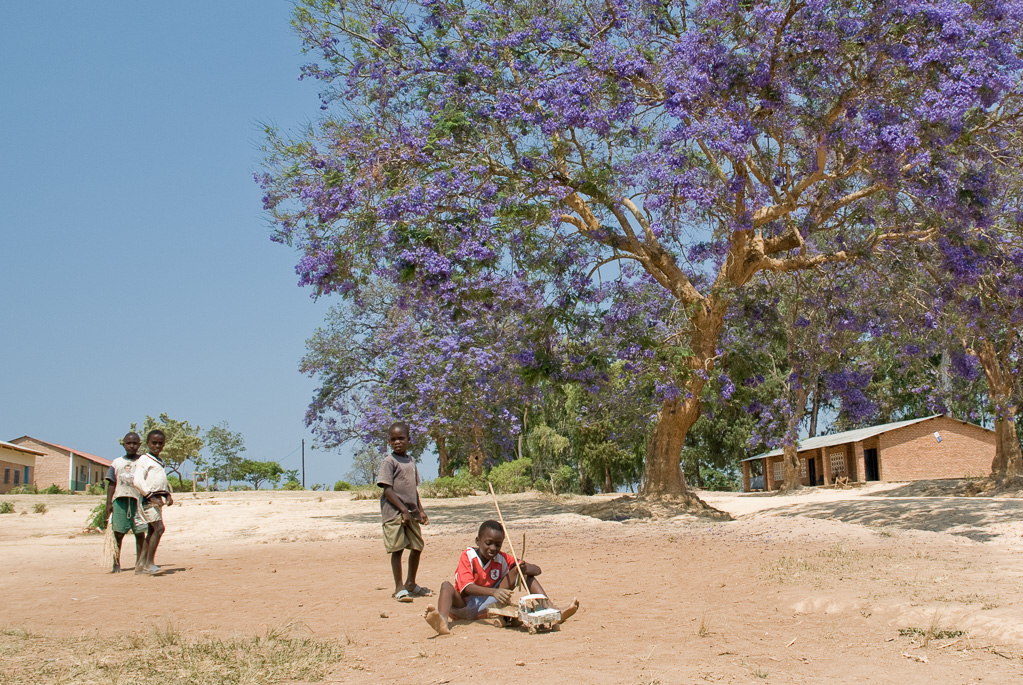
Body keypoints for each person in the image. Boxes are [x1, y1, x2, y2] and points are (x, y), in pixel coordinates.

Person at [423, 519, 579, 635]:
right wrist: (493, 592)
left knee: (521, 572)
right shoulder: (468, 556)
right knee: (445, 585)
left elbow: (537, 570)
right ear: (478, 541)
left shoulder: (502, 558)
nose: (493, 548)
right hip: (463, 606)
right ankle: (442, 622)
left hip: (488, 606)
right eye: (488, 543)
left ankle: (549, 608)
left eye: (498, 545)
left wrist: (523, 567)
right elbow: (467, 587)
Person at [377, 422, 431, 602]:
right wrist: (403, 510)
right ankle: (399, 587)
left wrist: (420, 511)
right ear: (389, 442)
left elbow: (413, 489)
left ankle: (411, 583)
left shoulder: (411, 461)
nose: (397, 442)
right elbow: (387, 490)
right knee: (397, 550)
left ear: (409, 439)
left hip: (411, 512)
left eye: (401, 438)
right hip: (394, 514)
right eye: (393, 439)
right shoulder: (388, 462)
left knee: (417, 547)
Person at [103, 432, 147, 573]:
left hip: (138, 501)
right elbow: (111, 483)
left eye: (135, 443)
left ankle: (139, 562)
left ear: (139, 445)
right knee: (118, 533)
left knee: (139, 533)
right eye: (129, 443)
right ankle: (116, 563)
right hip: (120, 501)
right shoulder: (117, 463)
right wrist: (108, 503)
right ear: (124, 444)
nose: (132, 446)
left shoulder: (143, 462)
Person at [132, 429, 173, 575]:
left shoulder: (160, 461)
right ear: (148, 443)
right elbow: (138, 480)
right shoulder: (144, 460)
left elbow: (160, 481)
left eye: (160, 443)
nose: (157, 446)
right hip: (148, 501)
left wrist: (167, 495)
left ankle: (141, 564)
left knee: (151, 531)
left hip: (156, 500)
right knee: (159, 528)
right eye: (154, 443)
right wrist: (149, 496)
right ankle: (149, 564)